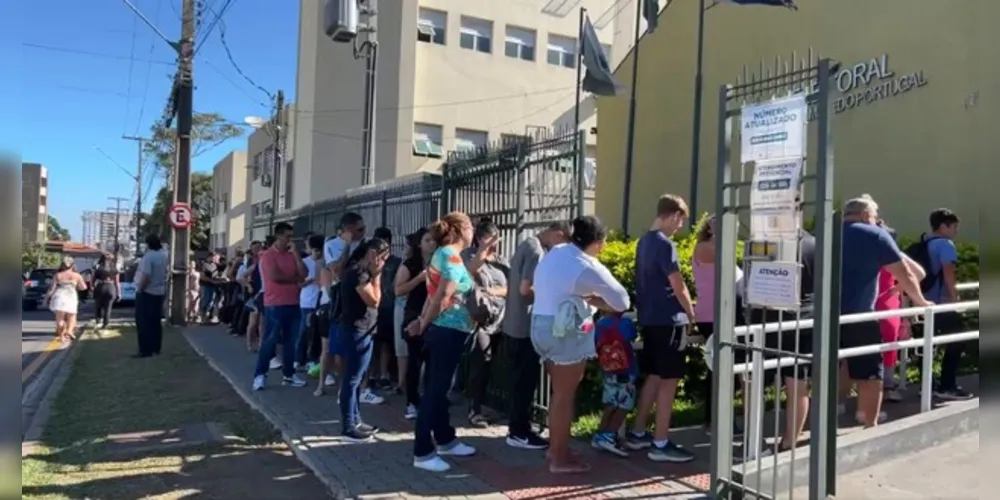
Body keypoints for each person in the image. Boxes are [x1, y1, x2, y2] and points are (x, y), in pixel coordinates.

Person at [531, 215, 630, 474]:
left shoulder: (559, 250)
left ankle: (557, 448)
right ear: (597, 243)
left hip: (540, 326)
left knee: (558, 394)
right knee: (565, 396)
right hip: (564, 331)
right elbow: (622, 302)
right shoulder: (587, 265)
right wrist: (596, 300)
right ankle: (559, 460)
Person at [839, 195, 931, 428]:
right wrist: (921, 302)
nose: (876, 220)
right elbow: (907, 274)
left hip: (825, 315)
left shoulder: (827, 234)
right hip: (860, 315)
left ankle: (831, 409)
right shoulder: (876, 235)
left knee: (840, 365)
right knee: (871, 374)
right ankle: (870, 423)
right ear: (865, 215)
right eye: (874, 216)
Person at [407, 212, 480, 473]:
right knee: (436, 391)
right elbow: (442, 297)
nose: (474, 230)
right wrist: (424, 323)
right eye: (471, 226)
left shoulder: (448, 255)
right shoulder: (449, 254)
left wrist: (421, 320)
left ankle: (445, 438)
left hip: (448, 331)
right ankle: (423, 451)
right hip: (446, 331)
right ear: (461, 230)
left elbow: (433, 295)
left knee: (439, 389)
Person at [627, 194, 697, 463]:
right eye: (680, 221)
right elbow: (678, 286)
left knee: (654, 376)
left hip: (650, 320)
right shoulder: (666, 246)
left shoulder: (643, 242)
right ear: (673, 215)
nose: (680, 227)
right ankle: (661, 442)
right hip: (670, 321)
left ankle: (638, 432)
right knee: (669, 381)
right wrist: (691, 313)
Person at [503, 221, 570, 451]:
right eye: (563, 242)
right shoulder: (536, 251)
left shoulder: (526, 244)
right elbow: (525, 289)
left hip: (513, 325)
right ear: (558, 234)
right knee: (524, 382)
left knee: (519, 381)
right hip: (524, 327)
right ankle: (519, 432)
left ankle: (519, 428)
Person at [751, 228, 817, 451]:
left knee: (755, 381)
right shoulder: (814, 243)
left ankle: (755, 441)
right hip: (804, 318)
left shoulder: (765, 242)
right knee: (797, 384)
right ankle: (789, 441)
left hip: (768, 319)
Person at [690, 215, 745, 437]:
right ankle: (717, 421)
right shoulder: (707, 247)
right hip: (714, 315)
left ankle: (717, 420)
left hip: (725, 315)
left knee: (725, 369)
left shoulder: (719, 246)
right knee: (722, 369)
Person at [324, 212, 383, 404]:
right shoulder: (332, 245)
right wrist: (348, 246)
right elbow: (338, 272)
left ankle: (361, 389)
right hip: (344, 300)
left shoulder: (366, 245)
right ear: (348, 230)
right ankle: (346, 389)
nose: (363, 232)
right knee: (343, 351)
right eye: (359, 229)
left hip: (365, 299)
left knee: (364, 353)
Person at [338, 237, 392, 442]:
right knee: (351, 381)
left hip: (363, 330)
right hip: (356, 331)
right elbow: (374, 300)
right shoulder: (358, 274)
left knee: (357, 379)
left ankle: (356, 420)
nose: (384, 263)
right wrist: (377, 276)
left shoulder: (358, 272)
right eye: (383, 258)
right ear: (372, 255)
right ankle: (348, 427)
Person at [461, 218, 509, 428]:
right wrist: (483, 249)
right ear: (480, 239)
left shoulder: (501, 261)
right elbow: (469, 272)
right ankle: (474, 410)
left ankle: (492, 405)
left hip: (500, 319)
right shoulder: (469, 256)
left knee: (494, 364)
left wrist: (493, 291)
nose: (495, 243)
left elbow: (510, 287)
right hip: (479, 320)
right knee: (481, 361)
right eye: (491, 238)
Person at [920, 208, 972, 400]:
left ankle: (927, 385)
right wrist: (955, 298)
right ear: (943, 226)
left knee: (926, 344)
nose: (956, 231)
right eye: (954, 227)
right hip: (940, 302)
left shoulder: (925, 243)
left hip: (922, 301)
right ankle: (947, 386)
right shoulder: (945, 245)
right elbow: (948, 273)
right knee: (958, 340)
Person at [252, 222, 309, 391]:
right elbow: (275, 276)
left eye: (292, 236)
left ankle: (289, 375)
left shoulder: (292, 254)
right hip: (274, 303)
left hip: (293, 302)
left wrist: (296, 255)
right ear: (278, 236)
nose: (290, 240)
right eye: (287, 236)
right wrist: (295, 279)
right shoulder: (268, 255)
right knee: (270, 340)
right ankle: (260, 375)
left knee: (291, 341)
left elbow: (304, 273)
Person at [393, 228, 435, 420]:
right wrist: (418, 279)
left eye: (434, 240)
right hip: (414, 313)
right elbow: (398, 290)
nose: (432, 244)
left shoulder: (440, 263)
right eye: (427, 240)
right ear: (419, 244)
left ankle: (430, 399)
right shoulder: (410, 265)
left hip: (435, 314)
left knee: (433, 361)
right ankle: (412, 401)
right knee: (415, 359)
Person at [590, 309, 639, 456]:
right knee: (624, 405)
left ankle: (600, 434)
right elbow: (633, 335)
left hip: (608, 371)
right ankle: (610, 436)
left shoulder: (598, 326)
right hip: (626, 370)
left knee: (610, 403)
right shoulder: (625, 323)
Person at [875, 221, 906, 403]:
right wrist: (898, 288)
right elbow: (914, 275)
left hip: (870, 303)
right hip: (888, 303)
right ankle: (887, 387)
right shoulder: (893, 258)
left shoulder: (868, 255)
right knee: (889, 347)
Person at [372, 227, 402, 391]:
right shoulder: (370, 260)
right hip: (372, 305)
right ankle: (371, 375)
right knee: (372, 342)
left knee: (385, 343)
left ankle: (384, 374)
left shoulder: (396, 262)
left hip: (388, 305)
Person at [135, 234, 168, 357]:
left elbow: (146, 275)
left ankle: (145, 350)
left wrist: (140, 289)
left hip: (147, 292)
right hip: (159, 291)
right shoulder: (163, 256)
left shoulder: (148, 257)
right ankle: (156, 347)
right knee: (155, 322)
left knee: (143, 322)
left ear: (148, 244)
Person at [45, 256, 88, 345]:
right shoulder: (77, 275)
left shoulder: (58, 275)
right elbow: (83, 287)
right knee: (72, 315)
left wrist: (46, 299)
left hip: (59, 297)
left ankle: (62, 336)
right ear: (72, 265)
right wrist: (75, 286)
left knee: (60, 319)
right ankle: (69, 331)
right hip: (71, 297)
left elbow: (51, 289)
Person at [299, 234, 326, 371]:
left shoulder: (325, 262)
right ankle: (299, 359)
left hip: (320, 300)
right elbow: (299, 283)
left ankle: (312, 359)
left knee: (316, 332)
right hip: (307, 301)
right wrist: (311, 279)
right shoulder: (305, 261)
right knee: (305, 331)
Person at [91, 253, 121, 332]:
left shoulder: (98, 267)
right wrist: (119, 293)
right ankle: (105, 324)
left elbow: (93, 279)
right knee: (108, 308)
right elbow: (117, 282)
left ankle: (98, 321)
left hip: (100, 286)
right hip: (111, 287)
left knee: (98, 306)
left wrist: (92, 287)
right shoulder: (115, 268)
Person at [199, 253, 222, 323]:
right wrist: (212, 281)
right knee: (205, 300)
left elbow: (215, 275)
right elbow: (202, 276)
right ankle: (202, 317)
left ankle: (207, 317)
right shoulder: (204, 265)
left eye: (214, 257)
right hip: (205, 285)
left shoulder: (214, 265)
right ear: (208, 257)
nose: (213, 258)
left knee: (211, 301)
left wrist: (219, 279)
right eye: (212, 257)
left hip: (213, 286)